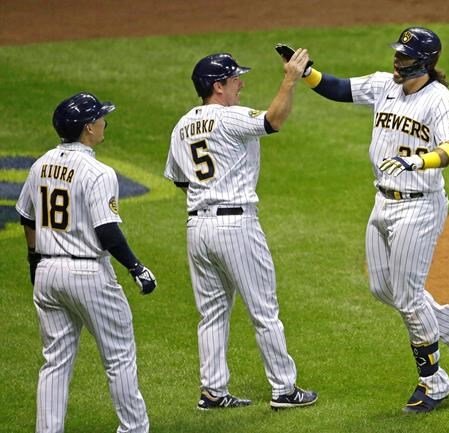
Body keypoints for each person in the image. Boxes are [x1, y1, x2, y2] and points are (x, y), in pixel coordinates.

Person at [297, 27, 449, 412]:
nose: (397, 60)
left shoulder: (439, 100)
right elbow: (339, 88)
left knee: (407, 296)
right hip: (383, 202)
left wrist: (419, 160)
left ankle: (434, 382)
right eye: (397, 53)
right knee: (383, 289)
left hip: (419, 206)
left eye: (405, 57)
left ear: (424, 63)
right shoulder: (384, 86)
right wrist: (305, 70)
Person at [163, 50, 318, 410]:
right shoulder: (229, 118)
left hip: (197, 227)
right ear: (217, 86)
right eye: (235, 80)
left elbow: (179, 179)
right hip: (235, 224)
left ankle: (213, 390)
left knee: (212, 312)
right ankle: (284, 388)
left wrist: (209, 194)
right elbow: (273, 120)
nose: (241, 84)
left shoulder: (182, 125)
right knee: (264, 309)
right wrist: (290, 79)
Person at [16, 92, 157, 433]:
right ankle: (134, 429)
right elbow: (106, 229)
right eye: (100, 118)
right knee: (119, 355)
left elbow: (27, 218)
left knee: (55, 361)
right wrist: (136, 267)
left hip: (48, 271)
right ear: (88, 129)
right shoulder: (98, 171)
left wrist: (36, 265)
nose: (104, 121)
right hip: (88, 272)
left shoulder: (40, 164)